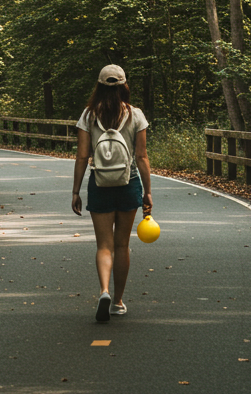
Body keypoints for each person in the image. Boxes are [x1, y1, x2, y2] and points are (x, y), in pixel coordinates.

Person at [71, 64, 152, 322]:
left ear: (99, 85)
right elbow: (141, 157)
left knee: (104, 246)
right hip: (129, 184)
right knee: (122, 245)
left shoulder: (88, 115)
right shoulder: (136, 115)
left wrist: (75, 191)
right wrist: (147, 193)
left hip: (100, 184)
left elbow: (82, 156)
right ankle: (117, 302)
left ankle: (104, 291)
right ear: (123, 85)